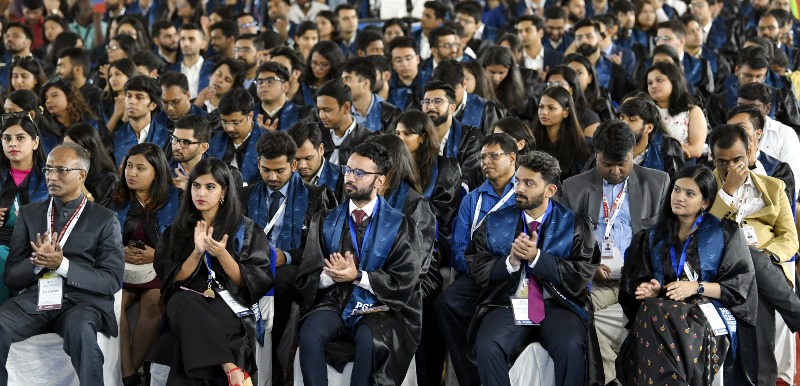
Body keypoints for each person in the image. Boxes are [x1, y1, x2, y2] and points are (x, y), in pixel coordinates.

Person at [467, 150, 600, 386]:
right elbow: (477, 265)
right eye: (518, 181)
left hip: (558, 305)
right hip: (507, 304)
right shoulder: (495, 222)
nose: (519, 188)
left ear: (550, 190)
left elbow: (581, 275)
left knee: (571, 345)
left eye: (529, 183)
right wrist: (511, 262)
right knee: (488, 345)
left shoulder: (575, 225)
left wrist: (538, 258)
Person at [295, 141, 423, 386]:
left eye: (360, 173)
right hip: (335, 301)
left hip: (380, 308)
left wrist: (357, 276)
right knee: (310, 334)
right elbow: (306, 275)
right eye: (348, 170)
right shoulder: (326, 220)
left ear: (380, 181)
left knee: (369, 339)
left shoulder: (401, 225)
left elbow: (405, 280)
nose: (350, 178)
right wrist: (331, 275)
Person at [617, 165, 758, 384]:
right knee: (651, 307)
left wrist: (696, 287)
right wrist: (654, 288)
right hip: (664, 309)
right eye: (677, 190)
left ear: (704, 202)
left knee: (655, 313)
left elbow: (738, 287)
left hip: (708, 311)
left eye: (689, 193)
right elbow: (652, 287)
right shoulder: (654, 235)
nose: (679, 197)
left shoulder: (725, 232)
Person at [0, 143, 124, 384]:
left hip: (83, 302)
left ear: (82, 175)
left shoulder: (105, 220)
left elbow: (112, 281)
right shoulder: (30, 214)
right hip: (37, 299)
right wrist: (36, 262)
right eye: (48, 170)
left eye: (61, 170)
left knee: (82, 334)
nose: (52, 176)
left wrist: (62, 264)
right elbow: (11, 276)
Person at [562, 120, 670, 383]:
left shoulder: (658, 183)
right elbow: (565, 241)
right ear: (595, 155)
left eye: (622, 163)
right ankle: (613, 381)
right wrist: (589, 264)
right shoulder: (573, 188)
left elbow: (667, 239)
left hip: (640, 282)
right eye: (607, 163)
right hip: (595, 282)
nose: (615, 170)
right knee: (578, 320)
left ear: (633, 152)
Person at [151, 158, 273, 385]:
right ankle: (231, 367)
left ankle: (229, 369)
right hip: (184, 301)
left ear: (224, 191)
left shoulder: (245, 229)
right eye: (196, 186)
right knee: (184, 301)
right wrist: (197, 252)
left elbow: (250, 282)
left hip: (227, 302)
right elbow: (171, 279)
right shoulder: (177, 230)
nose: (201, 193)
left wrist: (222, 254)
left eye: (210, 187)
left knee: (184, 340)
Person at [239, 130, 336, 384]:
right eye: (265, 169)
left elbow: (324, 248)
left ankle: (274, 358)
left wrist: (288, 256)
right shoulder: (245, 196)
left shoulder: (316, 196)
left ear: (294, 164)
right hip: (251, 266)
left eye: (279, 171)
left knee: (279, 278)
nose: (271, 177)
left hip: (295, 269)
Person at [706, 124, 800, 385]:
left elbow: (790, 238)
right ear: (713, 158)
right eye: (722, 162)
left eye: (737, 159)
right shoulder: (704, 187)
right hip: (722, 265)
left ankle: (760, 380)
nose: (730, 167)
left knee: (753, 268)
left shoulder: (773, 187)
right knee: (745, 254)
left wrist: (765, 257)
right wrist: (728, 191)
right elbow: (707, 232)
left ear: (749, 152)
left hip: (764, 266)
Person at [436, 134, 518, 385]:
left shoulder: (524, 193)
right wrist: (483, 270)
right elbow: (459, 248)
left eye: (494, 155)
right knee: (446, 303)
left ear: (512, 158)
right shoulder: (472, 199)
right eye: (483, 157)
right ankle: (469, 378)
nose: (486, 161)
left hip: (514, 275)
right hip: (477, 275)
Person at [367, 133, 442, 385]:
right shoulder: (366, 194)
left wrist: (375, 279)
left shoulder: (415, 204)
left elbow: (416, 264)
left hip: (411, 281)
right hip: (373, 277)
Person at [110, 143, 180, 386]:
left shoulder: (176, 199)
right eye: (129, 166)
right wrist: (118, 251)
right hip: (123, 270)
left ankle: (129, 372)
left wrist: (157, 254)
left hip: (158, 270)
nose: (132, 173)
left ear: (156, 172)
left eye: (141, 168)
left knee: (153, 305)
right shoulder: (117, 198)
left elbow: (184, 241)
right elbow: (101, 237)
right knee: (116, 306)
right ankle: (128, 373)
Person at [394, 110, 462, 261]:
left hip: (434, 235)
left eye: (407, 133)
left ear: (422, 137)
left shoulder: (446, 167)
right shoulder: (394, 166)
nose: (400, 139)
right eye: (397, 133)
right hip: (397, 231)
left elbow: (444, 214)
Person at [0, 113, 48, 303]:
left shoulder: (51, 176)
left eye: (20, 138)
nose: (13, 144)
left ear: (35, 142)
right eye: (7, 138)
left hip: (37, 244)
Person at [726, 105, 796, 208]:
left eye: (741, 128)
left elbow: (782, 209)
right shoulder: (716, 165)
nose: (734, 134)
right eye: (729, 130)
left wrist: (753, 166)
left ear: (758, 133)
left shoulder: (779, 169)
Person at [422, 80, 483, 189]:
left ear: (452, 108)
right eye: (426, 101)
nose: (430, 107)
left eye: (437, 101)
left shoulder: (470, 138)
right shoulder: (417, 136)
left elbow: (468, 183)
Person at [645, 62, 707, 161]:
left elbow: (697, 149)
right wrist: (677, 149)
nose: (654, 85)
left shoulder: (692, 111)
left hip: (683, 167)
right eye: (650, 83)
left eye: (659, 80)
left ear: (674, 81)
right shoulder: (645, 111)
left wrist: (666, 152)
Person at [532, 86, 591, 181]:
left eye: (551, 108)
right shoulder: (532, 141)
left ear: (566, 112)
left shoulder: (579, 146)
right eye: (541, 107)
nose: (544, 112)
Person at [433, 59, 504, 137]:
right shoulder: (430, 107)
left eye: (453, 91)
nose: (449, 97)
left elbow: (495, 144)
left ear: (464, 84)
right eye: (444, 92)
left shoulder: (485, 108)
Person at [208, 88, 265, 185]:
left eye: (235, 122)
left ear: (250, 116)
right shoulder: (213, 138)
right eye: (224, 122)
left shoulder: (266, 140)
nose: (229, 128)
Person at [617, 97, 685, 178]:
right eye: (622, 118)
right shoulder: (608, 151)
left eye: (632, 119)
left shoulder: (666, 160)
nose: (624, 123)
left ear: (649, 128)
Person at [316, 79, 375, 167]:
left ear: (346, 107)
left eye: (327, 110)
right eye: (319, 110)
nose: (321, 116)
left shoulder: (368, 139)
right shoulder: (315, 134)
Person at [109, 75, 165, 167]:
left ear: (153, 105)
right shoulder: (114, 139)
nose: (131, 101)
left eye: (139, 97)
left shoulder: (166, 138)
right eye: (129, 96)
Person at [63, 123, 118, 207]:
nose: (68, 153)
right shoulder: (58, 174)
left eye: (75, 148)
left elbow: (102, 214)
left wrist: (79, 183)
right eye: (65, 147)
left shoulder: (109, 181)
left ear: (90, 152)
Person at [340, 57, 400, 134]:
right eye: (342, 80)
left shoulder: (390, 113)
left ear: (366, 83)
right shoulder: (340, 111)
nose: (342, 84)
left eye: (348, 79)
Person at [287, 120, 344, 197]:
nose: (302, 165)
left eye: (308, 158)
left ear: (321, 149)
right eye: (296, 159)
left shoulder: (341, 180)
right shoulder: (282, 177)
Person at [252, 62, 311, 132]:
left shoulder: (303, 114)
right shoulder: (248, 115)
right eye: (260, 82)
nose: (263, 85)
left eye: (270, 81)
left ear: (285, 86)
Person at [545, 65, 601, 135]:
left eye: (559, 84)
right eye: (549, 84)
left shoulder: (589, 118)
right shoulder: (543, 114)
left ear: (572, 89)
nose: (552, 88)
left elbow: (588, 145)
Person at [5, 89, 61, 155]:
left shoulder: (48, 139)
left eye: (12, 112)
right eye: (6, 111)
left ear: (31, 115)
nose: (6, 117)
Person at [169, 23, 215, 98]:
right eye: (183, 39)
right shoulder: (170, 71)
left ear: (203, 44)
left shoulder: (213, 69)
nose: (186, 43)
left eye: (191, 39)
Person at [55, 47, 102, 117]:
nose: (57, 71)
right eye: (57, 66)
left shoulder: (97, 96)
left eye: (61, 66)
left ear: (78, 69)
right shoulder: (60, 94)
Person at [299, 40, 345, 107]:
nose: (317, 68)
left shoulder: (339, 88)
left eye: (324, 64)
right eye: (314, 63)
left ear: (334, 65)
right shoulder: (302, 85)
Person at [170, 115, 211, 190]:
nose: (177, 147)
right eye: (175, 139)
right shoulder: (162, 171)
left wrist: (187, 190)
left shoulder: (217, 175)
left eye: (186, 142)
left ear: (203, 147)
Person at [387, 36, 424, 110]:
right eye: (398, 60)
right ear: (393, 64)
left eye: (408, 58)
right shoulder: (387, 86)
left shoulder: (430, 82)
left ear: (417, 59)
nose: (404, 64)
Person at [100, 58, 136, 132]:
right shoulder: (105, 101)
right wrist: (116, 115)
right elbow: (102, 137)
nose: (113, 79)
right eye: (110, 75)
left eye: (117, 74)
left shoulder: (139, 100)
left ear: (129, 75)